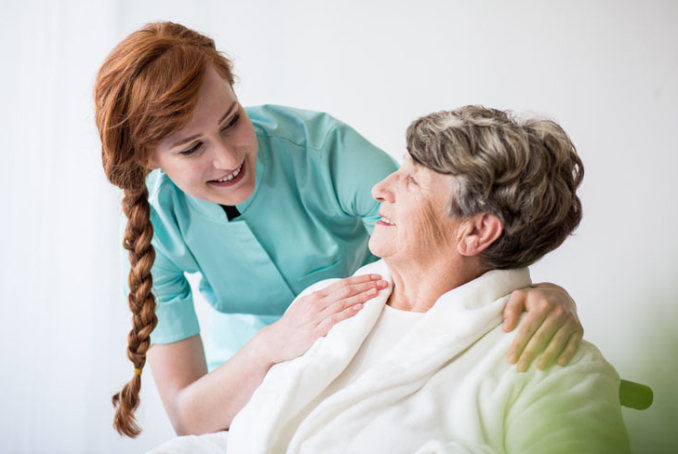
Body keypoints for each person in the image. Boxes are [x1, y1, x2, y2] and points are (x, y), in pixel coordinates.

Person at [94, 22, 584, 438]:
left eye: (231, 121)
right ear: (147, 159)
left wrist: (539, 290)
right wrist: (274, 345)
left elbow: (450, 233)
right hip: (248, 391)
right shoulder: (156, 236)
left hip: (370, 359)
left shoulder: (324, 151)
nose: (228, 158)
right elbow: (189, 415)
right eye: (191, 148)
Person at [223, 106, 629, 453]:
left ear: (475, 232)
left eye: (413, 179)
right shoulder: (321, 308)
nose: (379, 188)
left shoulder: (549, 367)